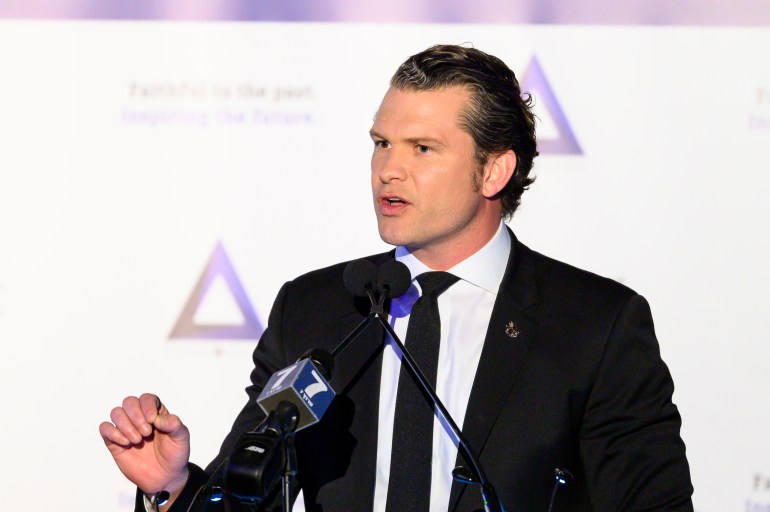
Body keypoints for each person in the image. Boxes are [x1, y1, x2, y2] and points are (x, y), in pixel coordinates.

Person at [100, 44, 694, 511]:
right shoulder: (315, 312)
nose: (389, 169)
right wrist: (172, 489)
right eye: (382, 143)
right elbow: (247, 500)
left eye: (423, 149)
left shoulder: (595, 325)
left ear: (494, 171)